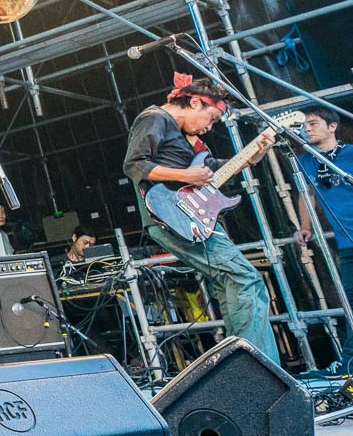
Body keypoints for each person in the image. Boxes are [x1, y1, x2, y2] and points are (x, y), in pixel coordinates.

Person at [123, 74, 278, 363]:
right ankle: (258, 367)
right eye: (212, 118)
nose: (209, 127)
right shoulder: (155, 118)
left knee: (229, 285)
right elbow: (134, 165)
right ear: (195, 102)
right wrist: (185, 175)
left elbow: (213, 170)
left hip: (193, 216)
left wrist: (254, 154)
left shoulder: (186, 139)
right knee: (245, 279)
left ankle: (240, 366)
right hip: (174, 216)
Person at [293, 106, 353, 371]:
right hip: (346, 241)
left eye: (313, 123)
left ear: (332, 126)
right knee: (350, 301)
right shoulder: (305, 161)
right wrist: (305, 226)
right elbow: (306, 193)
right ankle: (349, 363)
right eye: (305, 125)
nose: (307, 128)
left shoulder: (350, 153)